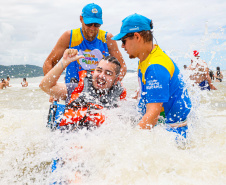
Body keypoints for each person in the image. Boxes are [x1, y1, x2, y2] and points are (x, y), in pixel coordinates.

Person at [111, 13, 192, 138]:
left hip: (172, 134)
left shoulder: (155, 67)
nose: (122, 46)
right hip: (162, 126)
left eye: (124, 40)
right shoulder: (146, 57)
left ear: (137, 37)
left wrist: (129, 142)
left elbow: (153, 114)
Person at [39, 49, 126, 130]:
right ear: (94, 72)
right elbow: (45, 86)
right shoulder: (76, 88)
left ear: (116, 80)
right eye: (99, 70)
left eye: (108, 73)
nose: (101, 76)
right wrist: (64, 62)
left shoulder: (119, 100)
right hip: (68, 139)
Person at [43, 3, 126, 84]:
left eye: (96, 25)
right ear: (81, 19)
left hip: (99, 91)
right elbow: (48, 63)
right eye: (89, 24)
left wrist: (113, 85)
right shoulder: (69, 37)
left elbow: (122, 66)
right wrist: (52, 91)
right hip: (73, 89)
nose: (92, 28)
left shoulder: (107, 38)